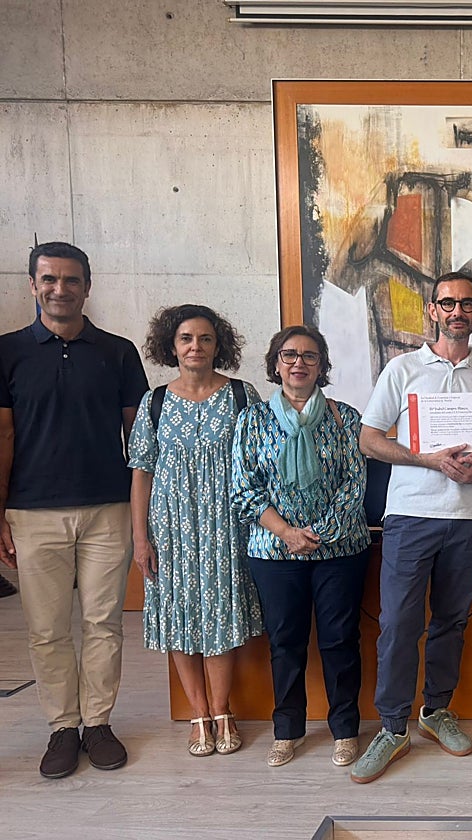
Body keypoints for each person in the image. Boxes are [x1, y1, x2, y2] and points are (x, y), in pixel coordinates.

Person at [0, 241, 149, 778]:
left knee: (103, 622)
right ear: (34, 285)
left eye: (70, 280)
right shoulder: (7, 352)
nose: (59, 289)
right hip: (33, 511)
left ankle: (98, 723)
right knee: (46, 628)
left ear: (88, 286)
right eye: (49, 280)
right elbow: (3, 437)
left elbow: (140, 439)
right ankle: (62, 726)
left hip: (107, 508)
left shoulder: (118, 351)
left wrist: (143, 512)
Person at [351, 272, 472, 784]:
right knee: (398, 624)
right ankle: (392, 727)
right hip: (411, 515)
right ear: (432, 310)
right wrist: (429, 460)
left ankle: (436, 712)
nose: (457, 311)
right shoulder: (403, 368)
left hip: (470, 517)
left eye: (467, 304)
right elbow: (370, 440)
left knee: (452, 621)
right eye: (448, 303)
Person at [128, 304, 264, 757]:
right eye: (186, 338)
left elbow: (260, 464)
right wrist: (140, 538)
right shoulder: (155, 402)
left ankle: (223, 712)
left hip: (228, 526)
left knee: (220, 618)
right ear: (172, 345)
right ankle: (197, 714)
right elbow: (142, 471)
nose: (196, 347)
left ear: (217, 345)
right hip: (171, 529)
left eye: (205, 339)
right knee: (178, 619)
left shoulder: (243, 396)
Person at [231, 325, 370, 769]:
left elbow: (355, 484)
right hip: (274, 552)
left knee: (340, 641)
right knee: (286, 643)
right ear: (276, 364)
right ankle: (286, 730)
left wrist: (321, 533)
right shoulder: (254, 419)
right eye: (289, 355)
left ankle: (345, 729)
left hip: (341, 550)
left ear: (322, 366)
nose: (299, 363)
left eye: (310, 356)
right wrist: (288, 533)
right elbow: (243, 489)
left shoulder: (345, 417)